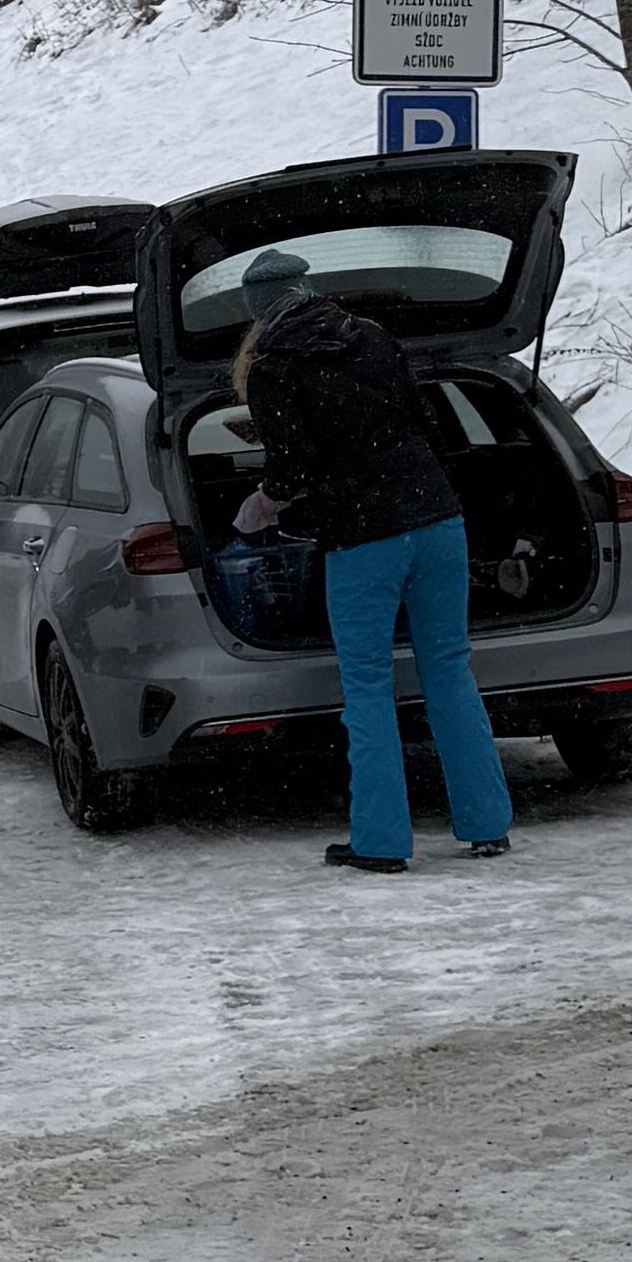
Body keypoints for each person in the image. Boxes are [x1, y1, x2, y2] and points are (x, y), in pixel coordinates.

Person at [227, 248, 510, 873]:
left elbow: (294, 467)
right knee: (448, 670)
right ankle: (487, 822)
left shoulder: (275, 366)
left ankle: (381, 841)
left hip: (363, 539)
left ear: (256, 312)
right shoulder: (375, 337)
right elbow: (416, 419)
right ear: (308, 289)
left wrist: (259, 508)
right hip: (436, 518)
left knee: (369, 686)